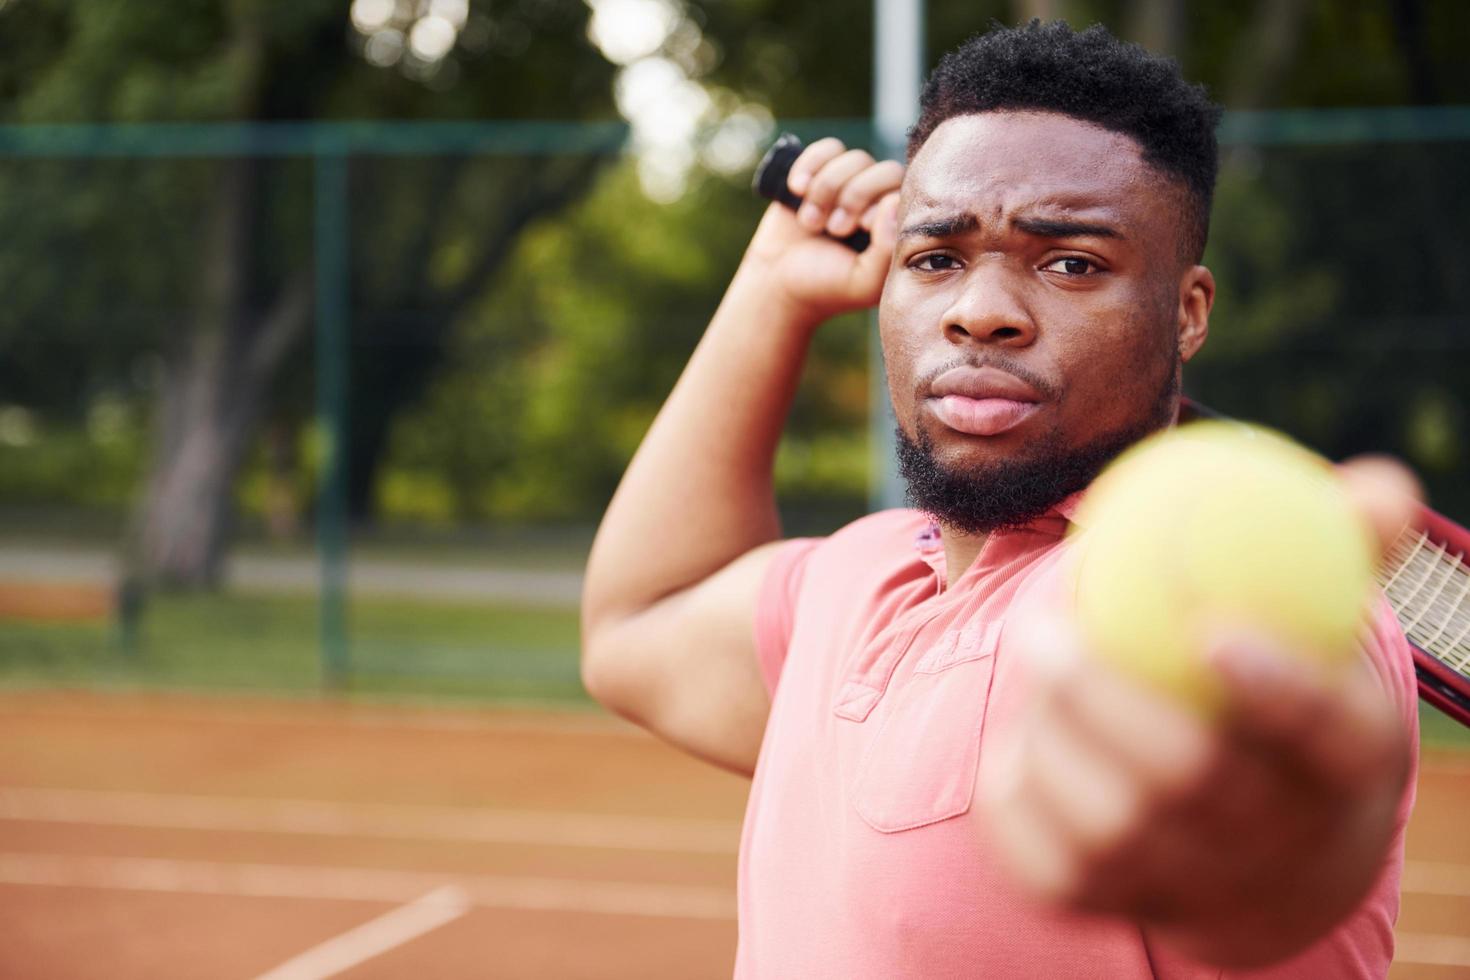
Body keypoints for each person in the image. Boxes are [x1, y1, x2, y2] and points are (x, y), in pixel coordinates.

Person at [580, 20, 1420, 979]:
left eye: (1070, 263)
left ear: (1187, 312)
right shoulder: (864, 573)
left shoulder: (1204, 598)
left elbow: (1249, 827)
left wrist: (1266, 860)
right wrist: (773, 288)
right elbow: (634, 626)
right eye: (934, 258)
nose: (979, 310)